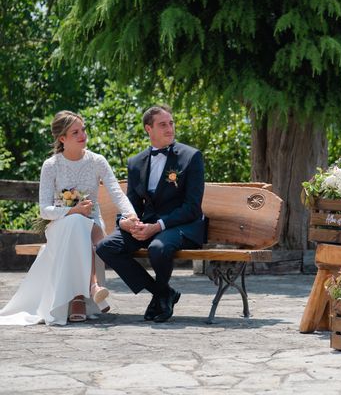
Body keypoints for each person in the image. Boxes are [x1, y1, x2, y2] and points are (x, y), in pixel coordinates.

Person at [0, 110, 136, 325]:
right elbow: (45, 210)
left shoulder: (97, 161)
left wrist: (132, 215)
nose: (83, 135)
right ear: (62, 139)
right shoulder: (51, 165)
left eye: (83, 130)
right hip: (60, 225)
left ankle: (80, 297)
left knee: (81, 224)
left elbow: (116, 192)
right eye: (75, 132)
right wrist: (72, 211)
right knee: (75, 222)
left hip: (93, 224)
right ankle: (89, 289)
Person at [96, 105, 205, 323]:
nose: (169, 128)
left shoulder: (191, 157)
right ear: (149, 129)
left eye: (171, 123)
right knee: (106, 247)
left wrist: (158, 226)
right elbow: (131, 203)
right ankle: (163, 293)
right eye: (163, 124)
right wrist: (124, 222)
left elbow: (192, 207)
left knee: (158, 248)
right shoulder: (135, 163)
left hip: (182, 224)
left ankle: (160, 296)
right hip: (148, 224)